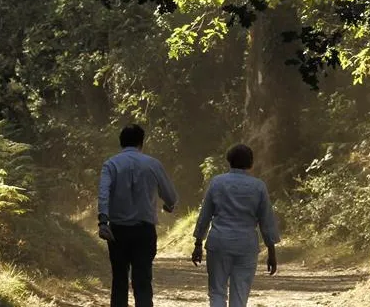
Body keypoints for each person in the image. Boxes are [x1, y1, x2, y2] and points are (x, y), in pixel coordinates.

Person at [98, 124, 178, 307]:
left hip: (117, 231)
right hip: (144, 231)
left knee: (119, 279)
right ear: (142, 142)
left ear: (121, 142)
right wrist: (169, 205)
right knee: (142, 279)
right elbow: (171, 196)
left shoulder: (111, 164)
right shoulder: (153, 164)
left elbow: (103, 193)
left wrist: (103, 221)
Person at [191, 144, 280, 307]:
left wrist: (198, 243)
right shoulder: (258, 186)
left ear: (229, 162)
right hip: (246, 245)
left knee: (217, 291)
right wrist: (272, 251)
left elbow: (205, 215)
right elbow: (266, 220)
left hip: (219, 242)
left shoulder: (217, 182)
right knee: (240, 293)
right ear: (251, 164)